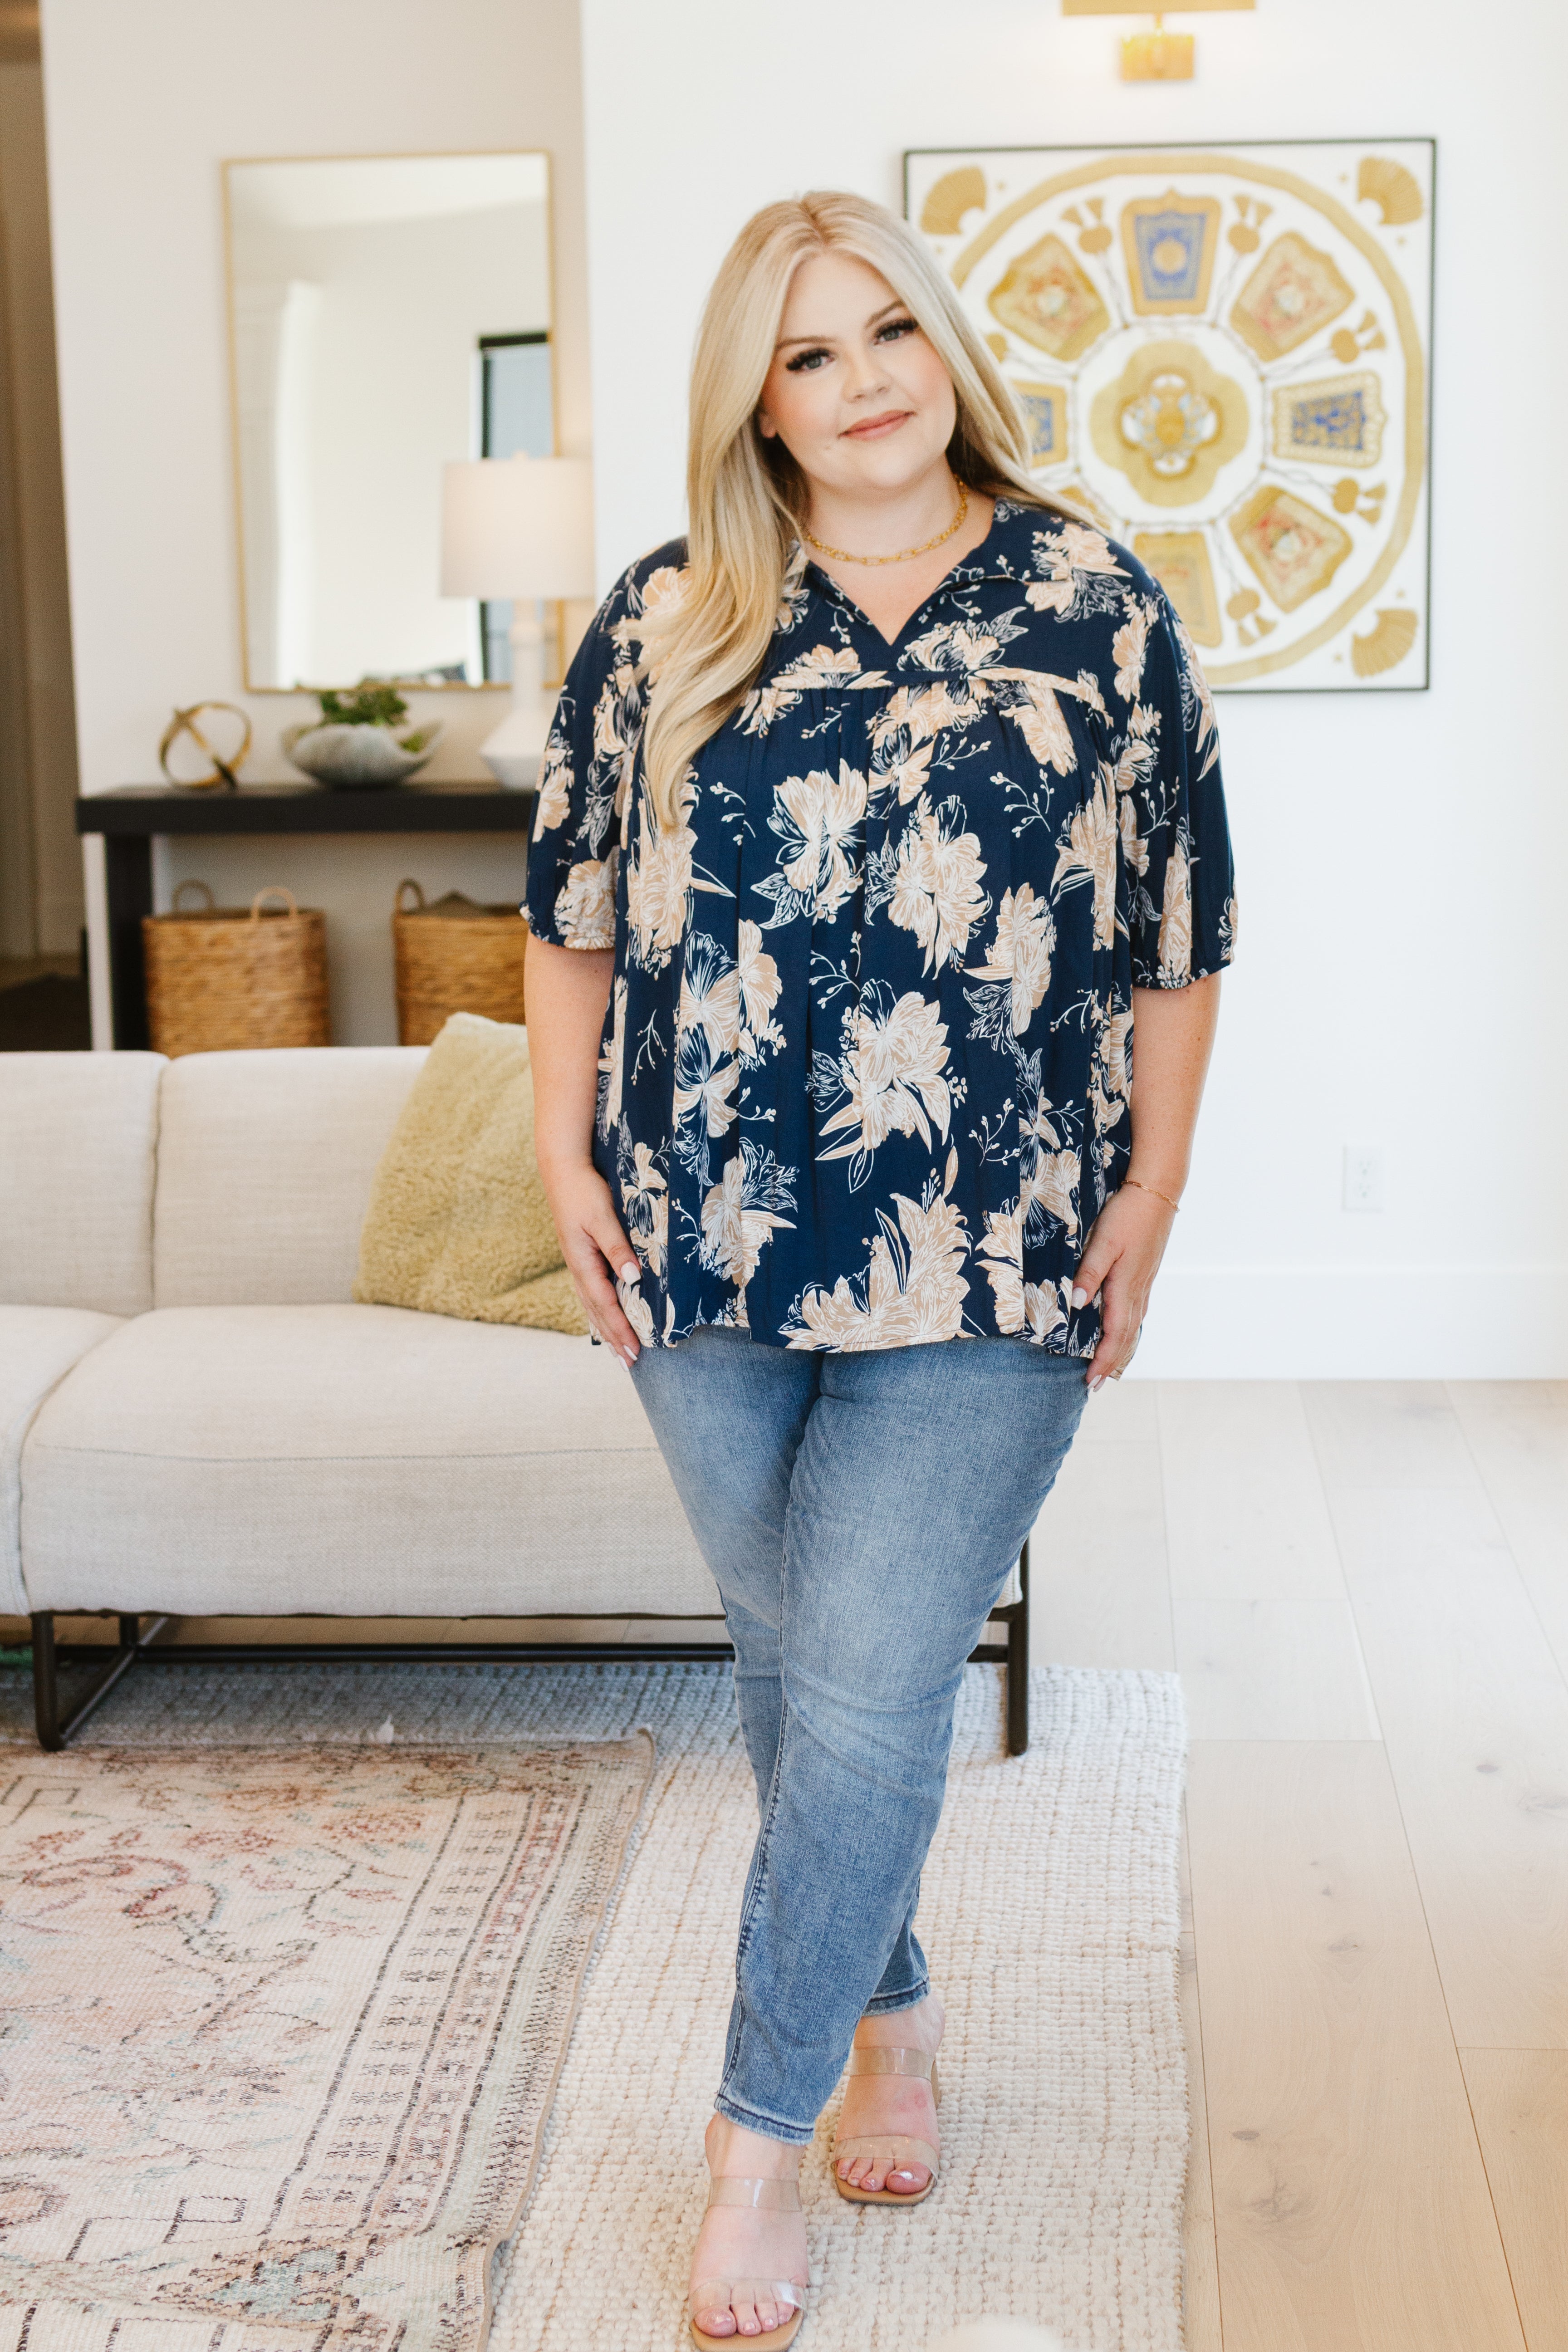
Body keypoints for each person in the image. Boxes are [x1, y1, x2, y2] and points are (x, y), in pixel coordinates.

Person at [524, 190, 1234, 2349]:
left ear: (948, 350)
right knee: (793, 1671)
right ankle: (893, 2011)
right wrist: (562, 1154)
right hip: (705, 1237)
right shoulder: (667, 618)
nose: (864, 383)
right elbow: (572, 913)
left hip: (997, 1250)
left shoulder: (1093, 604)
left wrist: (1156, 1190)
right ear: (758, 398)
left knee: (860, 1685)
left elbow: (1177, 933)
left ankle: (755, 2140)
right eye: (810, 352)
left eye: (892, 333)